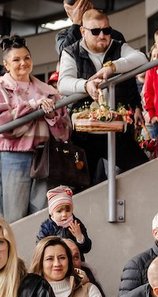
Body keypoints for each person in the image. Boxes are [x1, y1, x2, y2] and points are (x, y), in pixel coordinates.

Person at [57, 9, 149, 184]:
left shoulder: (118, 46)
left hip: (117, 129)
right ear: (83, 31)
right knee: (83, 183)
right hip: (84, 133)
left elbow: (142, 58)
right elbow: (63, 83)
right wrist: (86, 85)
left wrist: (112, 67)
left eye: (106, 30)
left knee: (142, 171)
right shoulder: (70, 52)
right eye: (95, 31)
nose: (102, 35)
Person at [0, 35, 70, 221]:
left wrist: (50, 116)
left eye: (27, 58)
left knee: (41, 214)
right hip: (14, 156)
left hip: (46, 155)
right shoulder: (1, 88)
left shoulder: (48, 90)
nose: (23, 63)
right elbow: (4, 125)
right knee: (14, 215)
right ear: (6, 64)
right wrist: (33, 106)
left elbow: (64, 132)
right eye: (16, 60)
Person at [36, 187, 92, 257]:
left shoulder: (76, 223)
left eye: (67, 210)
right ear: (52, 213)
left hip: (74, 261)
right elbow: (39, 247)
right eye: (59, 211)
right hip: (56, 261)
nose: (64, 214)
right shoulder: (47, 226)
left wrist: (80, 237)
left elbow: (87, 248)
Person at [55, 0, 127, 56]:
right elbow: (65, 54)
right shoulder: (63, 35)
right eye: (73, 13)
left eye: (82, 9)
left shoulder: (111, 35)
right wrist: (76, 23)